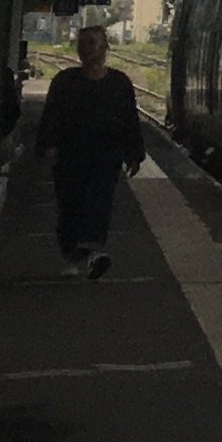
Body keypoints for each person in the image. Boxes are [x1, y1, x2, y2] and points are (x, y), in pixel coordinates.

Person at [37, 21, 142, 280]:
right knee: (70, 206)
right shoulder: (64, 82)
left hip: (106, 155)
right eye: (84, 44)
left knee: (99, 201)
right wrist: (48, 145)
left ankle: (89, 252)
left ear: (106, 48)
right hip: (70, 155)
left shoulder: (120, 84)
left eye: (93, 44)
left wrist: (134, 153)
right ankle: (77, 253)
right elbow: (51, 115)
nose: (88, 50)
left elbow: (130, 120)